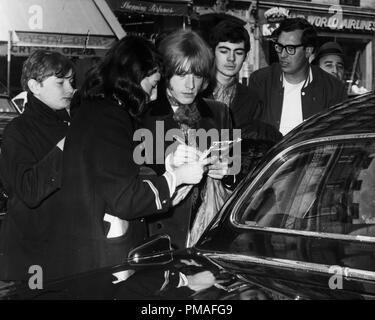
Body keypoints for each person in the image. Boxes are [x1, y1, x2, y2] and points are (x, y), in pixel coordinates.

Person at [52, 35, 207, 280]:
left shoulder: (95, 109)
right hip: (105, 255)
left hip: (89, 246)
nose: (155, 95)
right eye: (152, 85)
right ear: (133, 78)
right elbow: (126, 198)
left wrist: (169, 164)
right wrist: (176, 177)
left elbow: (113, 175)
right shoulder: (111, 119)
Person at [141, 29, 233, 249]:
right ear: (165, 74)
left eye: (197, 75)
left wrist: (227, 173)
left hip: (205, 231)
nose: (190, 85)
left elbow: (235, 170)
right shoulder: (144, 114)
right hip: (157, 232)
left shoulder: (219, 112)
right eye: (181, 74)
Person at [0, 50, 75, 281]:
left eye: (71, 82)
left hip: (69, 249)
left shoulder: (71, 123)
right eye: (60, 82)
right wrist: (65, 147)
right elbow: (29, 190)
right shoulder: (18, 131)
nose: (70, 89)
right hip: (34, 255)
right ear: (35, 86)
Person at [206, 20, 283, 182]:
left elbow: (256, 150)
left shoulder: (252, 99)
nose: (231, 58)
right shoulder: (196, 92)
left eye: (238, 52)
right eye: (224, 51)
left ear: (246, 56)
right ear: (212, 52)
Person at [249, 18, 347, 136]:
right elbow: (246, 129)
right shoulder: (261, 80)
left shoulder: (333, 89)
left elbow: (338, 135)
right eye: (279, 47)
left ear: (308, 51)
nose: (282, 55)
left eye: (290, 49)